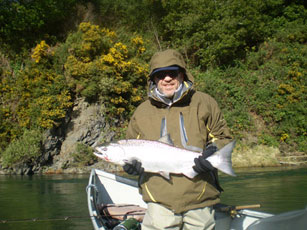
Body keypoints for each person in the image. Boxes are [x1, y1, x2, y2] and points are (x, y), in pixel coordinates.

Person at [124, 49, 232, 230]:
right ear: (153, 79)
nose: (167, 78)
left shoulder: (204, 102)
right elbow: (131, 147)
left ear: (182, 74)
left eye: (172, 73)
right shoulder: (141, 112)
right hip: (159, 200)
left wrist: (214, 152)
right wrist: (129, 167)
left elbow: (222, 137)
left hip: (200, 196)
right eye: (160, 74)